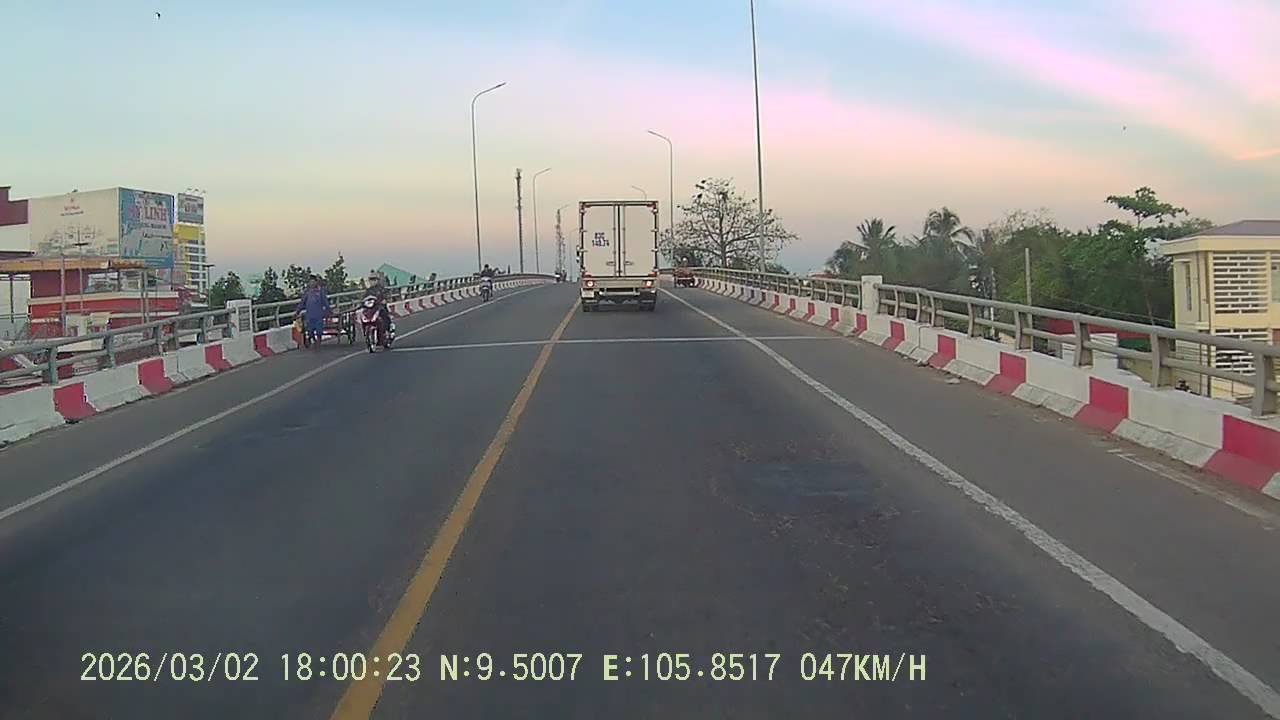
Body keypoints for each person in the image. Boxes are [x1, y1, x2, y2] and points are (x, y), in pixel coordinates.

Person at [297, 276, 331, 345]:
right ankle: (312, 339)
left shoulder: (320, 291)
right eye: (310, 282)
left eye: (313, 282)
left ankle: (318, 341)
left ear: (316, 282)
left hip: (318, 315)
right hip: (309, 315)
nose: (311, 283)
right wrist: (297, 311)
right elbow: (302, 302)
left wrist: (329, 310)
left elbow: (325, 302)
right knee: (310, 330)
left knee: (319, 330)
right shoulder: (307, 292)